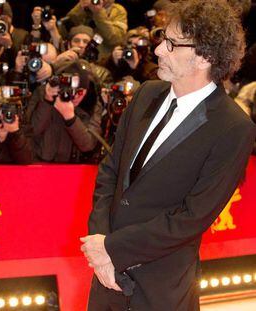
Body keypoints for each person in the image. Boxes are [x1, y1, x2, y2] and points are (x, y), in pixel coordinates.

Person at [80, 0, 256, 310]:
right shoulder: (147, 93)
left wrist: (112, 248)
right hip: (106, 279)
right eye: (163, 38)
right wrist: (99, 243)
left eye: (172, 44)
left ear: (205, 56)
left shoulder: (233, 127)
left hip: (161, 289)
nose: (160, 50)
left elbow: (191, 218)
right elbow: (111, 170)